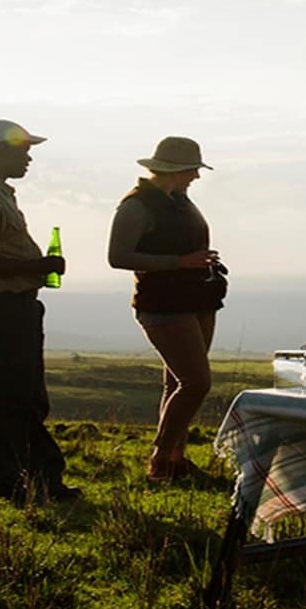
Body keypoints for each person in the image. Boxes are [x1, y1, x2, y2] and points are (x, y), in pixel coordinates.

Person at [0, 118, 79, 504]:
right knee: (14, 396)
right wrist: (38, 266)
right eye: (23, 150)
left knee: (12, 394)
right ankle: (23, 478)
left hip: (7, 305)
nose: (29, 159)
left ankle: (15, 476)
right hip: (1, 306)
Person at [107, 136, 227, 483]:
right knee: (195, 382)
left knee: (177, 382)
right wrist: (181, 262)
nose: (197, 176)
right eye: (193, 170)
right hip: (163, 304)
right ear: (176, 169)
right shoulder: (136, 206)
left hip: (198, 300)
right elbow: (118, 257)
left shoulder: (179, 201)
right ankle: (161, 459)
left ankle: (175, 460)